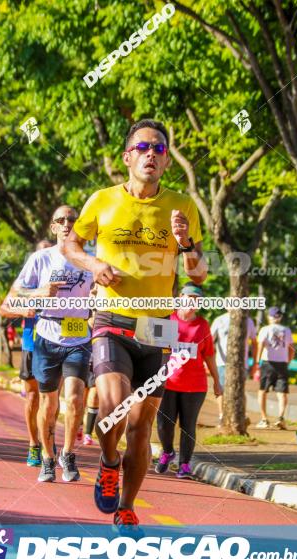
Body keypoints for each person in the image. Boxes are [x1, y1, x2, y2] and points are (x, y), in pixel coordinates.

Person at [64, 119, 208, 533]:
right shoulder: (102, 200)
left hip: (158, 327)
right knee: (113, 409)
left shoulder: (182, 206)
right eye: (143, 147)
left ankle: (127, 506)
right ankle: (109, 464)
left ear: (166, 162)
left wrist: (185, 243)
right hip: (112, 318)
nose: (151, 154)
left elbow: (197, 274)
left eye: (160, 149)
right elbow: (71, 244)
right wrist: (93, 264)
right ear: (127, 157)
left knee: (142, 425)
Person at [4, 205, 93, 483]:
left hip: (79, 335)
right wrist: (35, 295)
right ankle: (47, 457)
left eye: (72, 219)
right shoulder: (40, 259)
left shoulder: (92, 261)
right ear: (53, 227)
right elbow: (9, 302)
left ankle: (67, 454)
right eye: (61, 220)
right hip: (47, 335)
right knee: (48, 403)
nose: (67, 224)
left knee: (77, 398)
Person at [155, 284, 222, 479]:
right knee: (163, 424)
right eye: (190, 298)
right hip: (167, 382)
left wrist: (217, 382)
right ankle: (167, 452)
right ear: (180, 297)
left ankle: (184, 464)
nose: (193, 302)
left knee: (188, 425)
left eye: (197, 300)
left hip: (195, 385)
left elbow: (209, 355)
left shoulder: (202, 325)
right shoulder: (168, 319)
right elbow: (155, 349)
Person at [0, 239, 54, 467]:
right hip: (32, 344)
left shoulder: (64, 280)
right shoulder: (27, 283)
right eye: (39, 255)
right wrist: (23, 309)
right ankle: (34, 444)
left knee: (51, 397)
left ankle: (49, 444)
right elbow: (4, 308)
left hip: (56, 344)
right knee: (32, 397)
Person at [210, 311, 257, 427]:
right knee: (220, 390)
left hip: (242, 363)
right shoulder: (219, 320)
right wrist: (208, 359)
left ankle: (242, 415)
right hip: (222, 362)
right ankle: (222, 416)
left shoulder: (248, 320)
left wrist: (255, 363)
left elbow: (255, 342)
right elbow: (210, 340)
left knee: (240, 389)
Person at [254, 307, 294, 429]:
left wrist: (257, 362)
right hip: (282, 363)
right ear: (280, 317)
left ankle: (264, 419)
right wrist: (288, 361)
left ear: (269, 317)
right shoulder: (286, 330)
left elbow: (260, 345)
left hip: (268, 363)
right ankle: (281, 417)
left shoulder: (265, 329)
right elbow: (291, 348)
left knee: (262, 391)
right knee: (282, 393)